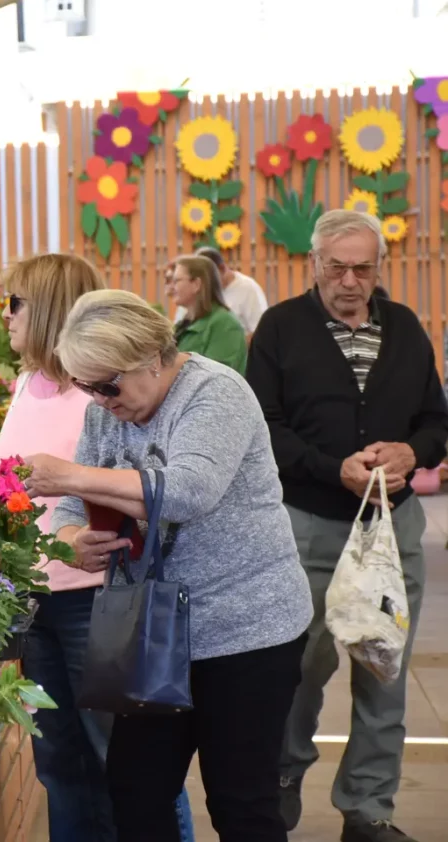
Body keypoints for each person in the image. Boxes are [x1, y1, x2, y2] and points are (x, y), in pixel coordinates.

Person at [23, 289, 313, 842]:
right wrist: (72, 537)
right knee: (136, 792)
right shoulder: (103, 414)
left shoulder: (216, 393)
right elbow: (68, 507)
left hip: (246, 632)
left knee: (241, 802)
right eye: (87, 386)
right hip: (150, 635)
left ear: (154, 357)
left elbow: (187, 491)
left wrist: (72, 475)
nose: (100, 399)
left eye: (108, 384)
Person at [0, 255, 194, 842]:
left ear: (46, 308)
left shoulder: (99, 397)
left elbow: (149, 488)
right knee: (60, 766)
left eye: (15, 302)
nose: (5, 314)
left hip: (96, 604)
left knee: (131, 767)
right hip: (37, 597)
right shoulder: (28, 385)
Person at [247, 210, 448, 842]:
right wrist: (334, 469)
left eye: (363, 268)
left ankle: (369, 811)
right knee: (300, 667)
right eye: (338, 267)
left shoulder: (408, 330)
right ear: (315, 264)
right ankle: (277, 791)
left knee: (383, 669)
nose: (351, 281)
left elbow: (435, 422)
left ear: (378, 269)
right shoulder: (280, 329)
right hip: (307, 526)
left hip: (392, 531)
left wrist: (414, 454)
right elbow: (264, 428)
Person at [167, 255, 248, 374]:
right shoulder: (183, 324)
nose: (171, 288)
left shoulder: (225, 325)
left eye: (176, 281)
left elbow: (217, 378)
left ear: (196, 284)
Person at [196, 246, 268, 338]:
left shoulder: (248, 288)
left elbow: (260, 331)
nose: (205, 283)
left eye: (208, 277)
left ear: (222, 269)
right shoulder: (201, 289)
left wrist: (232, 345)